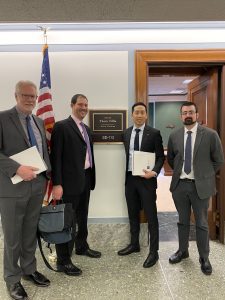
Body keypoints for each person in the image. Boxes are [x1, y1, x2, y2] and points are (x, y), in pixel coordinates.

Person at [0, 80, 51, 300]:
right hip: (12, 189)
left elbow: (43, 152)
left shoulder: (39, 121)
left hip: (37, 185)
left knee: (30, 231)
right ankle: (12, 279)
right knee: (13, 237)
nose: (30, 100)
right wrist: (17, 168)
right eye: (26, 95)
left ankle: (29, 270)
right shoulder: (2, 118)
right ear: (16, 95)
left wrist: (49, 178)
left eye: (33, 96)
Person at [167, 101, 224, 275]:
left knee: (201, 223)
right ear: (181, 116)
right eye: (184, 113)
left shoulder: (210, 134)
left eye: (191, 112)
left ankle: (204, 257)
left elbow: (219, 160)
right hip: (180, 186)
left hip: (201, 187)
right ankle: (183, 251)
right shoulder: (175, 135)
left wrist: (204, 175)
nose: (188, 115)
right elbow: (171, 158)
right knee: (182, 221)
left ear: (197, 115)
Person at [51, 93, 101, 276]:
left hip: (86, 178)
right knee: (67, 222)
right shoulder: (61, 127)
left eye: (86, 105)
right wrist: (57, 184)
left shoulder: (86, 129)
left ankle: (82, 246)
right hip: (68, 183)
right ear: (72, 105)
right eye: (80, 104)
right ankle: (63, 261)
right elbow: (55, 158)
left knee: (82, 216)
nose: (84, 108)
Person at [118, 102, 164, 268]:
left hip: (147, 180)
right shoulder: (126, 133)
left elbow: (160, 157)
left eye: (142, 112)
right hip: (130, 179)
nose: (139, 115)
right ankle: (134, 244)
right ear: (132, 115)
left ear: (146, 115)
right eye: (136, 112)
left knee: (151, 216)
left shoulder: (154, 133)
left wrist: (155, 172)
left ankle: (154, 252)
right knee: (132, 213)